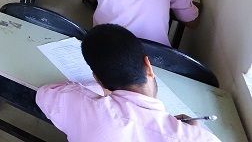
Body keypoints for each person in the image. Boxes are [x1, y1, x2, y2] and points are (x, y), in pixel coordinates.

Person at [36, 24, 219, 142]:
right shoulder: (200, 138)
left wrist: (91, 90)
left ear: (98, 79)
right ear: (148, 65)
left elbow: (44, 94)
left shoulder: (88, 108)